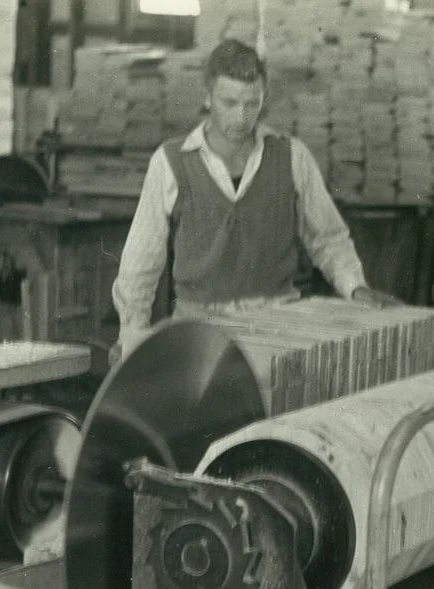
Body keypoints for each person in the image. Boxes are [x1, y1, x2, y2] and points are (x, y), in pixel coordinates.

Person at [111, 39, 393, 364]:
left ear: (264, 98)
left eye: (251, 103)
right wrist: (131, 338)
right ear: (207, 96)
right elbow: (140, 265)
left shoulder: (291, 157)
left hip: (279, 327)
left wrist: (356, 288)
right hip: (199, 330)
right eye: (228, 102)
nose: (241, 116)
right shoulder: (171, 162)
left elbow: (328, 238)